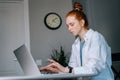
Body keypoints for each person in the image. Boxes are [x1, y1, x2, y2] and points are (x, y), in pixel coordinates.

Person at [40, 2, 114, 80]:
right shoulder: (76, 43)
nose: (69, 28)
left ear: (82, 22)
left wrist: (66, 69)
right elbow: (72, 68)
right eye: (68, 26)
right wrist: (56, 71)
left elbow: (94, 68)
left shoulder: (96, 37)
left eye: (72, 24)